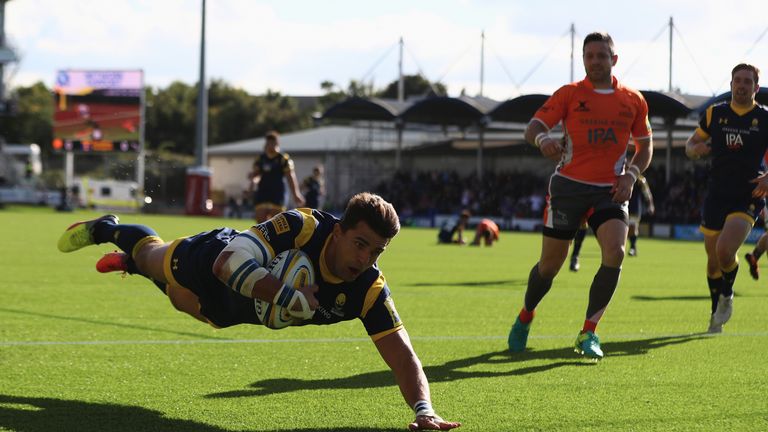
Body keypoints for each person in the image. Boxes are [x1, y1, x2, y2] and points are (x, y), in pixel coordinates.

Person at [56, 193, 460, 431]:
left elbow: (403, 355)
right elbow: (227, 264)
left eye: (376, 250)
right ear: (338, 231)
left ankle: (131, 265)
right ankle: (108, 228)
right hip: (213, 255)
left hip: (231, 309)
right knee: (152, 257)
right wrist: (289, 296)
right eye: (359, 243)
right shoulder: (303, 227)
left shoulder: (367, 288)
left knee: (183, 302)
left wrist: (424, 409)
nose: (365, 257)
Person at [508, 32, 653, 360]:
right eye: (590, 55)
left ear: (614, 59)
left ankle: (589, 332)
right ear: (583, 59)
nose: (596, 61)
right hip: (568, 188)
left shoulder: (633, 100)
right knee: (549, 267)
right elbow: (533, 127)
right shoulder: (569, 94)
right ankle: (525, 316)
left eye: (602, 55)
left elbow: (645, 146)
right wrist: (543, 139)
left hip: (610, 190)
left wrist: (630, 175)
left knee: (615, 253)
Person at [685, 63, 768, 333]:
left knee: (724, 250)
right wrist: (696, 149)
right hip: (717, 193)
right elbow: (690, 144)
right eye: (737, 80)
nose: (742, 85)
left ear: (756, 87)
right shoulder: (714, 113)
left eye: (748, 81)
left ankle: (727, 294)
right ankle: (715, 312)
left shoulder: (765, 118)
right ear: (731, 84)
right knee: (713, 261)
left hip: (748, 194)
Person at [248, 131, 305, 223]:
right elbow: (256, 175)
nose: (270, 145)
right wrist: (251, 185)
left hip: (278, 193)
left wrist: (296, 194)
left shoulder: (283, 159)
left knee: (277, 223)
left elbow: (290, 177)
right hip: (263, 192)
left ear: (277, 143)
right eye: (268, 143)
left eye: (272, 143)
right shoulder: (260, 159)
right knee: (260, 222)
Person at [626, 172, 655, 256]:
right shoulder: (621, 176)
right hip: (621, 205)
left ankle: (632, 247)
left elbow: (647, 194)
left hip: (634, 207)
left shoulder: (640, 180)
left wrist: (650, 205)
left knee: (633, 227)